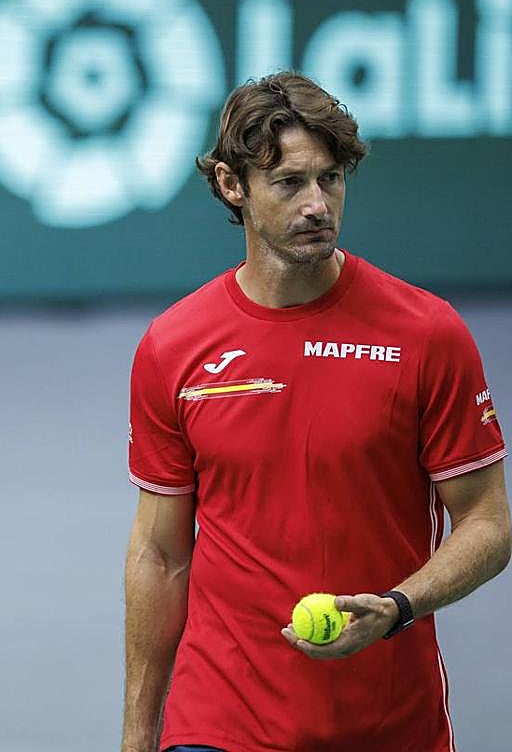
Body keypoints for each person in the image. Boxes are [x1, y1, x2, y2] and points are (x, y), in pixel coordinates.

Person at [121, 72, 510, 752]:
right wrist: (136, 736)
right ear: (230, 185)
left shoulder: (427, 334)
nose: (316, 204)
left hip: (391, 722)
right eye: (289, 182)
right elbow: (160, 554)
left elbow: (488, 521)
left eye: (330, 180)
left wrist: (397, 608)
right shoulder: (173, 348)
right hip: (219, 720)